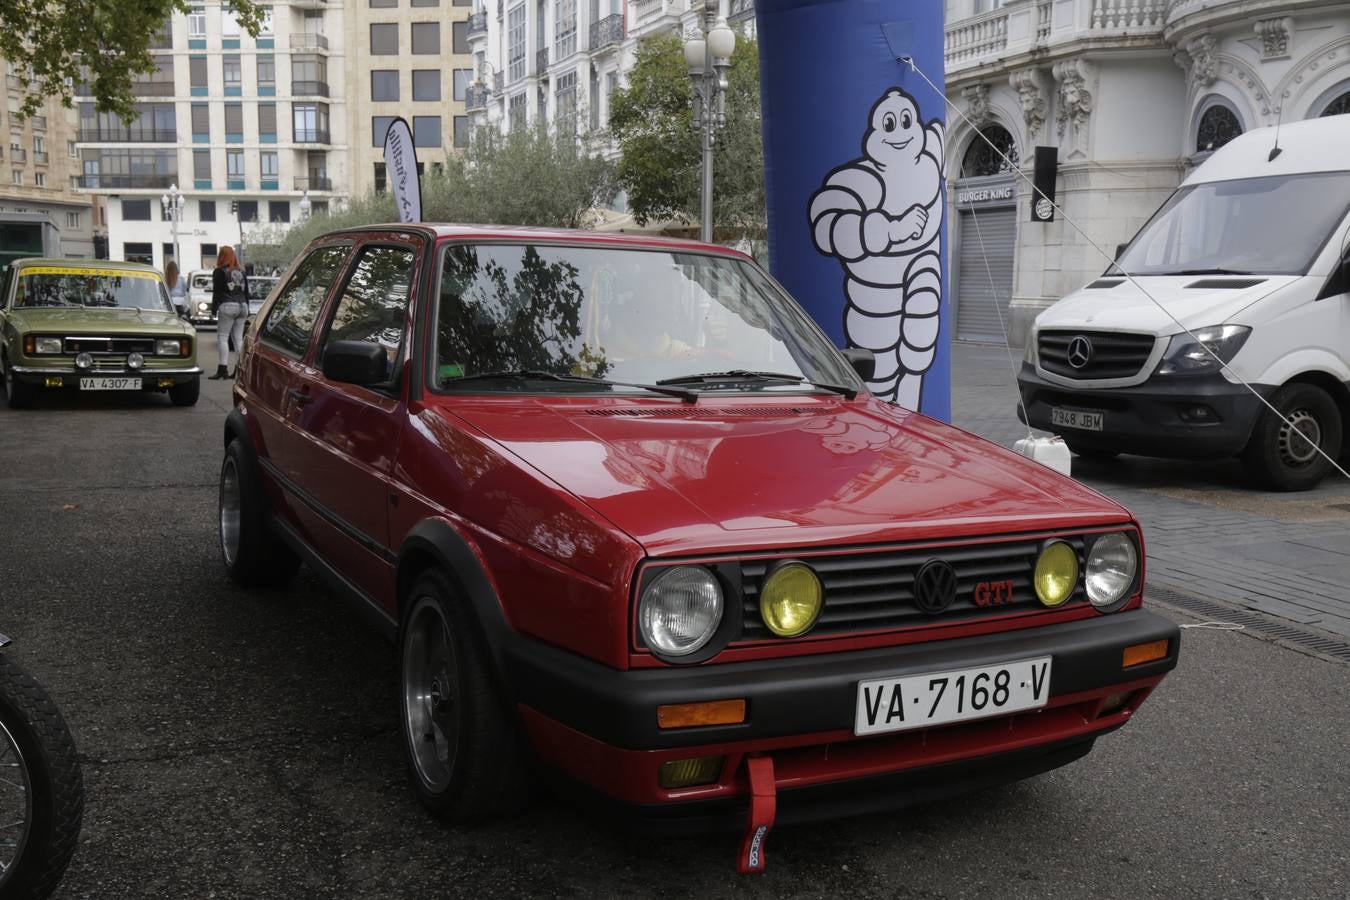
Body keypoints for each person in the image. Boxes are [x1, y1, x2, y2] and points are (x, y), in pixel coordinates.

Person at [210, 246, 248, 380]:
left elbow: (217, 292)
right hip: (243, 306)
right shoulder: (242, 271)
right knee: (238, 339)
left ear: (221, 256)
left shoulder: (219, 272)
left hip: (227, 306)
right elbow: (246, 292)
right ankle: (242, 370)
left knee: (222, 337)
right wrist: (246, 307)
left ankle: (222, 369)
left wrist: (213, 310)